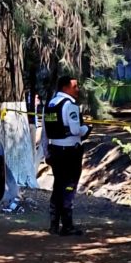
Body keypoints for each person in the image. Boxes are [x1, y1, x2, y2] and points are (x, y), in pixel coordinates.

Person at [42, 76, 92, 236]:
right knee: (69, 187)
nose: (77, 89)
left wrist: (46, 152)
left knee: (58, 185)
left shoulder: (49, 105)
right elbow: (76, 130)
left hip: (55, 151)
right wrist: (87, 129)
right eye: (75, 86)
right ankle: (67, 225)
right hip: (70, 153)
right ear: (65, 87)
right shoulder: (70, 106)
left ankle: (54, 224)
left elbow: (45, 133)